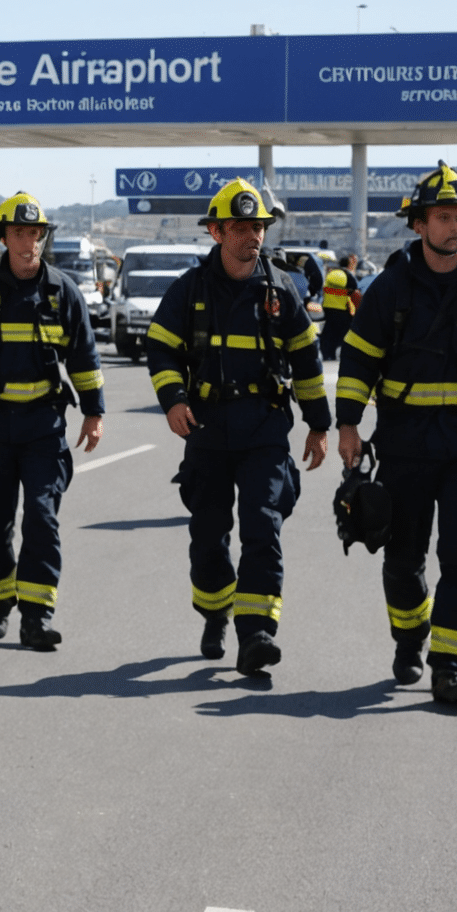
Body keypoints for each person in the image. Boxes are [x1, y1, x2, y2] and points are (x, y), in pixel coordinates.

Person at [145, 179, 330, 674]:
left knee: (262, 525)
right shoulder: (189, 289)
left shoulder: (282, 290)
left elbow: (308, 363)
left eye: (259, 226)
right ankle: (214, 614)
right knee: (208, 533)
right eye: (242, 227)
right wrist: (173, 399)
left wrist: (319, 424)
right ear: (217, 232)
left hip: (264, 430)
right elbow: (160, 347)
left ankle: (257, 634)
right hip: (206, 429)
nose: (253, 236)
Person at [336, 164, 457, 706]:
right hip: (404, 445)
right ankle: (410, 637)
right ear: (420, 224)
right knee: (403, 560)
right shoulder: (390, 288)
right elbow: (356, 360)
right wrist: (348, 424)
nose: (456, 227)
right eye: (444, 217)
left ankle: (450, 666)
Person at [0, 193, 105, 648]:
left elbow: (84, 357)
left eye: (34, 234)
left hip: (44, 429)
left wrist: (94, 412)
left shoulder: (62, 292)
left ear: (43, 238)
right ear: (4, 238)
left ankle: (37, 616)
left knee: (42, 519)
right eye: (19, 234)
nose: (28, 243)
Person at [317, 253, 361, 361]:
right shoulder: (347, 275)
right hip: (341, 308)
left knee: (328, 332)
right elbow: (354, 291)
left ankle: (327, 354)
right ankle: (340, 353)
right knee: (344, 332)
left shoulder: (331, 273)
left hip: (328, 307)